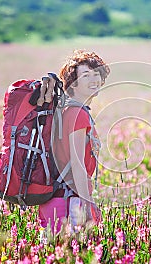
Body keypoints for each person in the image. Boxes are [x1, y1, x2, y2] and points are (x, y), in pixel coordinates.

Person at [38, 50, 110, 234]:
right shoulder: (77, 114)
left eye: (96, 74)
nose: (94, 80)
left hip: (56, 199)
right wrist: (87, 202)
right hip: (69, 202)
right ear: (74, 83)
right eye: (86, 75)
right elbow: (77, 163)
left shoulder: (67, 109)